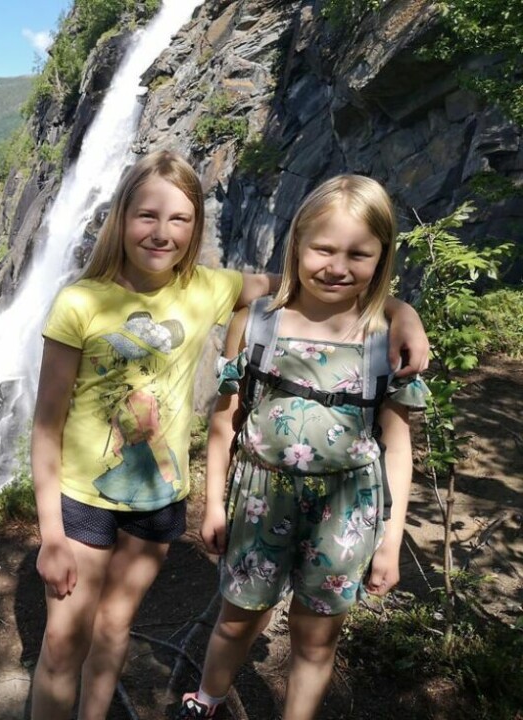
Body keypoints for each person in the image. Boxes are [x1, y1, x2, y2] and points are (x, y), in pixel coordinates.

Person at [30, 152, 427, 720]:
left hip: (157, 497)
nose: (162, 233)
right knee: (64, 640)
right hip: (81, 498)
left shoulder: (204, 287)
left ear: (196, 228)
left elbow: (305, 284)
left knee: (115, 628)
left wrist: (401, 310)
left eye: (180, 219)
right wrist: (50, 535)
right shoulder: (80, 302)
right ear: (121, 217)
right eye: (147, 215)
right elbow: (46, 425)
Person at [179, 174, 430, 720]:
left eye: (358, 254)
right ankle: (207, 700)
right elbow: (224, 422)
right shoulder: (257, 324)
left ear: (382, 256)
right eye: (323, 249)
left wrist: (390, 543)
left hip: (346, 512)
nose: (337, 267)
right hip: (260, 500)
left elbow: (397, 447)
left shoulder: (385, 340)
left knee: (316, 639)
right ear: (296, 244)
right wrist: (214, 504)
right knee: (238, 618)